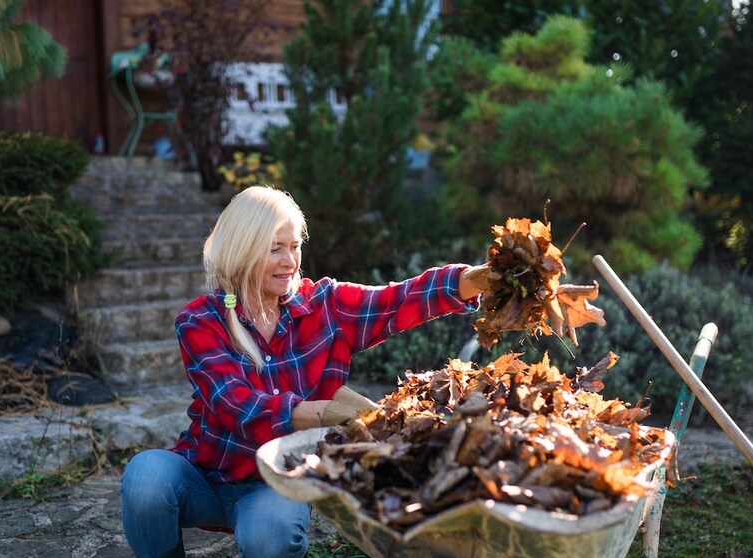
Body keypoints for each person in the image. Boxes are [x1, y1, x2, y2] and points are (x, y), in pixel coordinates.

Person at [120, 185, 487, 558]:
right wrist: (329, 414)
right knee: (145, 476)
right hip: (206, 477)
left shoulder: (324, 305)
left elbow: (398, 300)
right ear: (242, 250)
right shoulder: (201, 320)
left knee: (270, 535)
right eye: (274, 248)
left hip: (278, 479)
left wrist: (478, 278)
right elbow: (237, 407)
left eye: (294, 246)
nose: (289, 261)